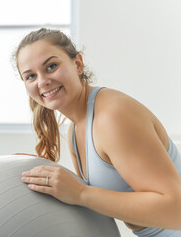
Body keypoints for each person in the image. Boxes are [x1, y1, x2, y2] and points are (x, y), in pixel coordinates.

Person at [16, 28, 181, 236]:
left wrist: (81, 193)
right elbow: (96, 203)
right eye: (30, 76)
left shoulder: (112, 117)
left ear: (78, 64)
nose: (42, 81)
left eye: (51, 66)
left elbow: (177, 210)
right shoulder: (75, 131)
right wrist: (26, 169)